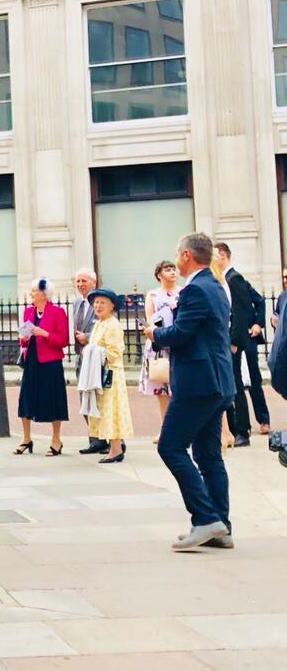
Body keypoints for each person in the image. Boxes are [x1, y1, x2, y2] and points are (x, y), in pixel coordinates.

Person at [143, 232, 235, 551]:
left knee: (170, 447)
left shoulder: (195, 288)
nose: (176, 260)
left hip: (197, 383)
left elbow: (182, 333)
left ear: (186, 255)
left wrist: (155, 334)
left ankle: (205, 518)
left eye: (177, 254)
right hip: (217, 381)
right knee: (209, 456)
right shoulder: (216, 284)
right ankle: (221, 528)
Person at [215, 241, 268, 447]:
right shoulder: (222, 279)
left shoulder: (234, 278)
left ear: (222, 255)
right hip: (227, 339)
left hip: (236, 341)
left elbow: (239, 311)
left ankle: (242, 430)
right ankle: (234, 429)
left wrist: (236, 340)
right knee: (231, 384)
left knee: (239, 384)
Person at [16, 277, 69, 456]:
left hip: (50, 362)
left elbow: (63, 340)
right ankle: (26, 438)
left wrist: (45, 334)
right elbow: (24, 339)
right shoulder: (28, 311)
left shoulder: (57, 312)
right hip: (31, 361)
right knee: (25, 399)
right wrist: (23, 339)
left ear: (44, 294)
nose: (31, 294)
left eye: (34, 291)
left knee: (53, 400)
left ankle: (56, 440)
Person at [84, 288, 133, 464]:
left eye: (102, 303)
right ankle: (115, 448)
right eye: (96, 302)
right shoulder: (99, 323)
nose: (98, 306)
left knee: (112, 411)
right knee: (104, 411)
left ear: (112, 306)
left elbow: (115, 352)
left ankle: (116, 449)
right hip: (99, 373)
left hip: (110, 375)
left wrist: (94, 352)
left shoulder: (113, 325)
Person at [139, 260, 178, 423]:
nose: (172, 272)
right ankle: (164, 427)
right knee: (161, 390)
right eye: (167, 269)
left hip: (177, 341)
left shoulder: (183, 292)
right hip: (159, 343)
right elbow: (150, 319)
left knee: (179, 389)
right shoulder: (153, 295)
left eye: (173, 269)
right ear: (159, 274)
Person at [69, 268, 103, 454]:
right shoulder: (77, 302)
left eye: (84, 281)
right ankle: (94, 439)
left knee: (99, 400)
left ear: (93, 282)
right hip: (80, 357)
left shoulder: (100, 301)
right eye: (78, 281)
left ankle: (109, 439)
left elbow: (106, 326)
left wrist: (88, 337)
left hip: (96, 357)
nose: (80, 284)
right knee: (84, 399)